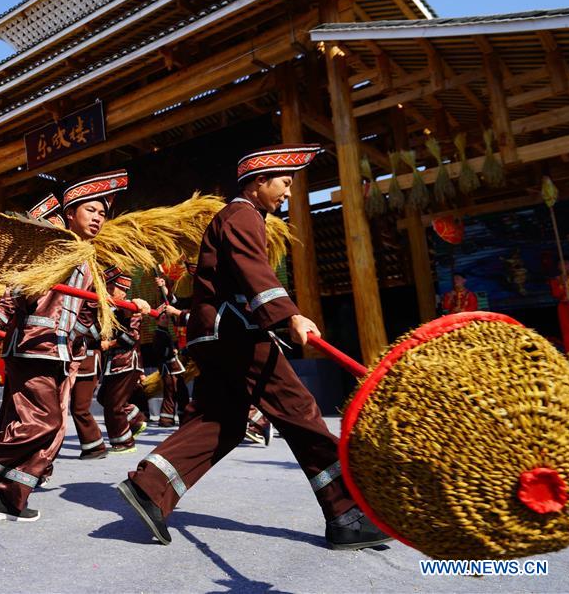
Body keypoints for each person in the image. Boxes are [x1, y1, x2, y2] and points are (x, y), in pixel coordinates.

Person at [117, 144, 392, 550]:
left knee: (222, 420)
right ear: (259, 181)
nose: (289, 192)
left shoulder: (241, 217)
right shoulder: (242, 215)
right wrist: (289, 314)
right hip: (237, 334)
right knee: (300, 412)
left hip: (219, 335)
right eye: (284, 182)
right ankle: (346, 513)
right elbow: (253, 270)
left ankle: (149, 486)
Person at [0, 170, 131, 523]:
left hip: (59, 355)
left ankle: (7, 497)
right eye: (89, 210)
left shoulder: (88, 260)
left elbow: (86, 316)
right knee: (43, 423)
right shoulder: (49, 250)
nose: (96, 218)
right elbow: (15, 292)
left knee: (48, 429)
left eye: (102, 214)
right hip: (33, 349)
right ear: (71, 213)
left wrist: (113, 316)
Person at [97, 268, 149, 454]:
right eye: (107, 287)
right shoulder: (110, 308)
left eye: (112, 288)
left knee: (113, 405)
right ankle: (136, 419)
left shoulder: (132, 308)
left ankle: (124, 442)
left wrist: (108, 344)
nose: (108, 291)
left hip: (127, 362)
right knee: (104, 397)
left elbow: (132, 337)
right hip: (114, 362)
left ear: (122, 290)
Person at [151, 276, 189, 428]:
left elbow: (172, 304)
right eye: (163, 317)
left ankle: (173, 417)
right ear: (158, 320)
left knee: (177, 392)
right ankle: (168, 419)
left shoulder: (165, 331)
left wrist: (164, 289)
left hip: (172, 366)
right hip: (169, 367)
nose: (166, 319)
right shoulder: (160, 333)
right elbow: (159, 351)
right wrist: (171, 351)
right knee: (173, 392)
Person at [549, 258, 569, 358]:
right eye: (561, 264)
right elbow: (556, 294)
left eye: (566, 264)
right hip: (565, 307)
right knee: (568, 331)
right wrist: (562, 284)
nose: (563, 266)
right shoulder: (556, 280)